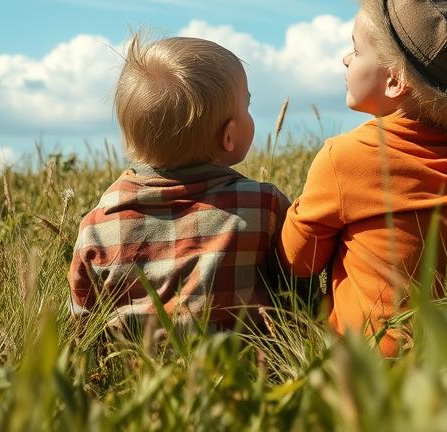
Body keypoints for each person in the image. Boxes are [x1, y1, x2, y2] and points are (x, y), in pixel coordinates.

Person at [278, 0, 447, 356]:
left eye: (356, 50)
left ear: (396, 81)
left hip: (383, 368)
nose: (345, 58)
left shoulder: (346, 158)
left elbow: (297, 261)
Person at [69, 33, 290, 331]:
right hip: (242, 367)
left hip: (135, 372)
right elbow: (296, 291)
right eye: (247, 106)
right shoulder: (264, 206)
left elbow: (83, 323)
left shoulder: (97, 225)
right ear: (229, 136)